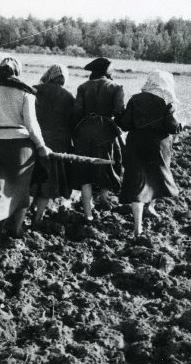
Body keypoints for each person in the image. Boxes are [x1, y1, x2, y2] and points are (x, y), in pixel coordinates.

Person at [0, 57, 51, 256]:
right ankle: (16, 229)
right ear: (17, 72)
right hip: (21, 148)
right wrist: (41, 147)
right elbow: (32, 126)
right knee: (20, 191)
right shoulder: (26, 93)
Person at [119, 70, 183, 236]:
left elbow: (125, 124)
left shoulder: (135, 99)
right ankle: (151, 207)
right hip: (158, 146)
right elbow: (172, 127)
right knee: (155, 178)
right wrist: (180, 125)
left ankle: (137, 226)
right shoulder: (168, 100)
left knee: (137, 184)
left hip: (136, 143)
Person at [70, 57, 125, 221]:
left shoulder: (82, 87)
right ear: (107, 71)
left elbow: (77, 111)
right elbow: (119, 111)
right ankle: (104, 199)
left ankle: (87, 213)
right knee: (108, 164)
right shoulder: (116, 87)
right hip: (105, 131)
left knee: (85, 170)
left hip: (84, 131)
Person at [30, 64, 76, 224]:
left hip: (35, 141)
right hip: (58, 144)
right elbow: (72, 123)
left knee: (31, 178)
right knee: (48, 183)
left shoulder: (34, 90)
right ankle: (38, 217)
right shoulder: (69, 97)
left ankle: (25, 211)